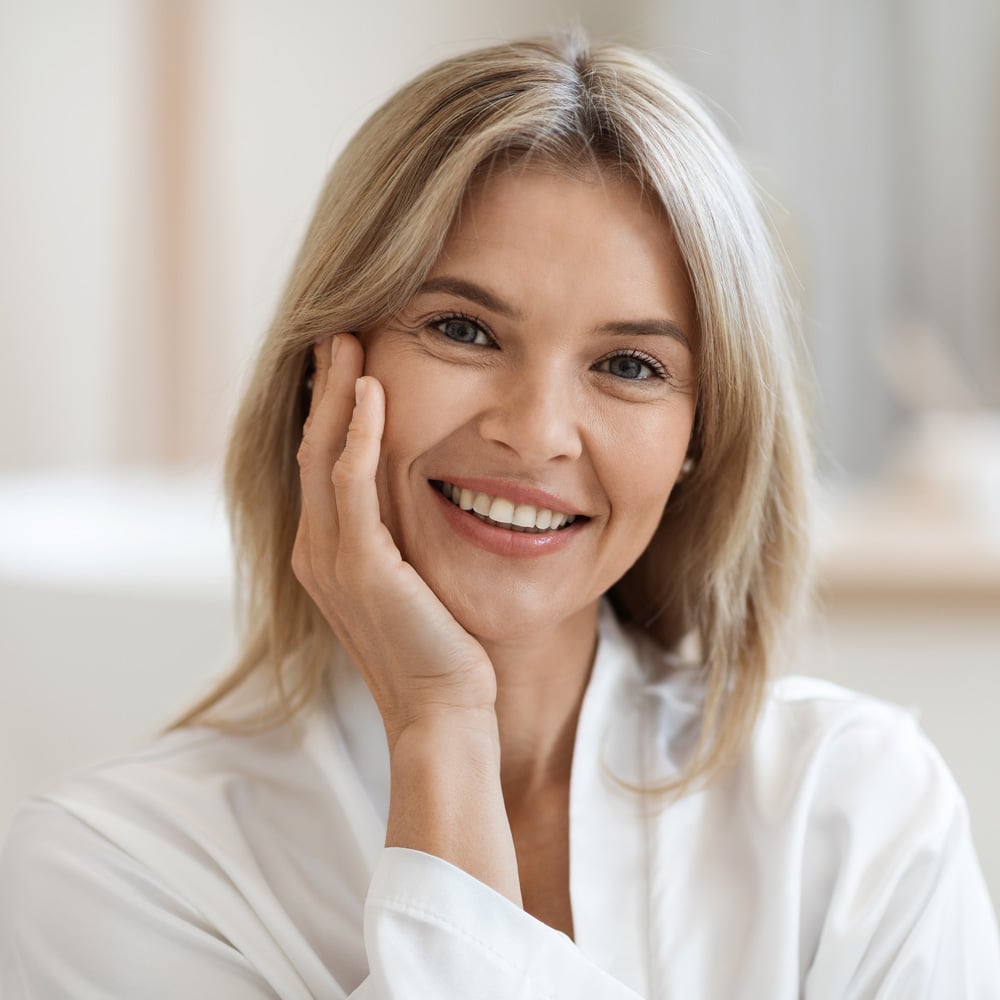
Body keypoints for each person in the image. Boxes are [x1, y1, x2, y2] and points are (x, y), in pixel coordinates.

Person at [1, 33, 998, 999]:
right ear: (330, 372)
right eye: (463, 329)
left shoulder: (858, 815)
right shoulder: (120, 869)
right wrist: (441, 723)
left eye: (630, 365)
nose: (535, 433)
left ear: (702, 435)